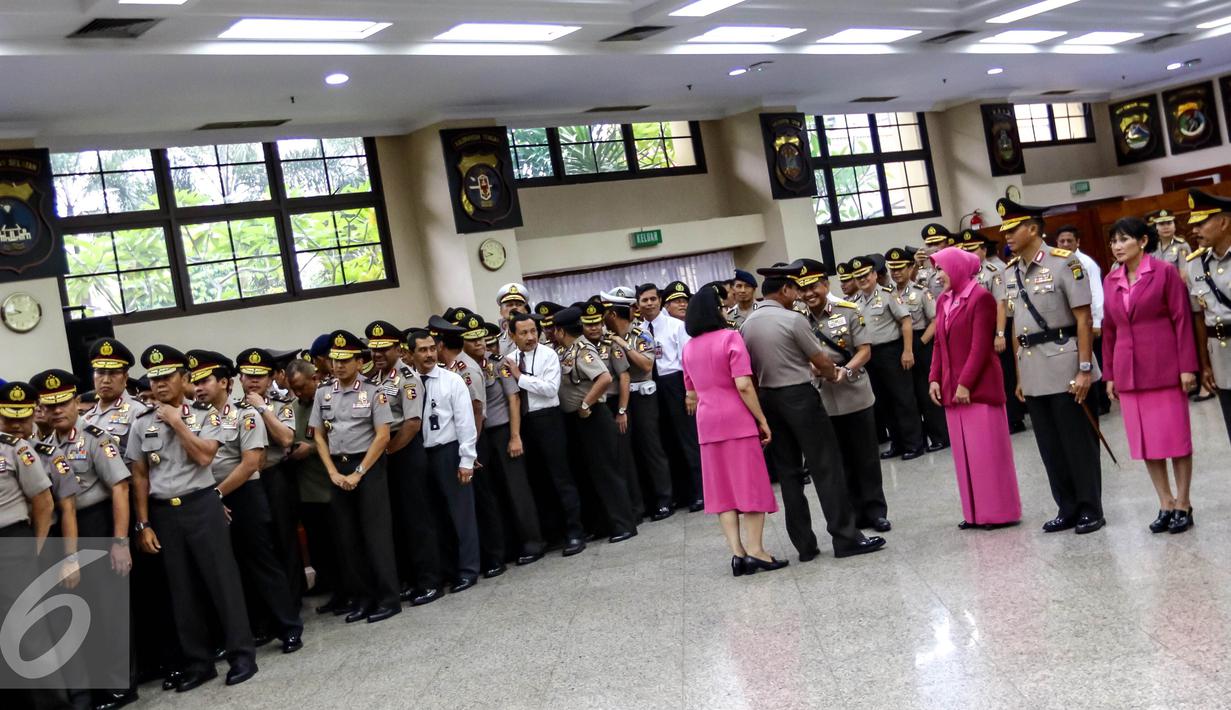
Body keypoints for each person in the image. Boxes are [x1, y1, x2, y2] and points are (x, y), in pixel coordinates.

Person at [127, 345, 258, 690]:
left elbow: (204, 457)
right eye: (154, 379)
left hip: (201, 505)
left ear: (184, 379)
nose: (159, 385)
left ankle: (242, 655)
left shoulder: (205, 415)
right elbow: (139, 476)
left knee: (221, 583)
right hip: (163, 512)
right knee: (181, 591)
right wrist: (143, 523)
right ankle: (199, 663)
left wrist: (176, 422)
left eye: (167, 377)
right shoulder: (141, 423)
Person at [740, 262, 886, 561]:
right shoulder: (793, 320)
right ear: (784, 290)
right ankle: (845, 538)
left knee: (790, 475)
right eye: (794, 288)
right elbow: (820, 361)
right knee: (826, 467)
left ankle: (804, 546)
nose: (798, 294)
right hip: (800, 397)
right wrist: (833, 374)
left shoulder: (747, 325)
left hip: (768, 398)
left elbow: (749, 372)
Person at [187, 351, 304, 652]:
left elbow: (251, 463)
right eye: (195, 382)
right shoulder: (192, 417)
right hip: (209, 497)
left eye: (205, 381)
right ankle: (256, 627)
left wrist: (216, 494)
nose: (198, 387)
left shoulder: (245, 413)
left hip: (241, 495)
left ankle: (289, 626)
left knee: (261, 562)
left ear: (224, 382)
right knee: (231, 567)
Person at [1001, 198, 1105, 534]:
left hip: (1065, 365)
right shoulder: (1011, 272)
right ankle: (1067, 507)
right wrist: (1019, 377)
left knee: (1077, 443)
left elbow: (1083, 318)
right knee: (1050, 447)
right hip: (1032, 370)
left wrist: (1085, 368)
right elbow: (1017, 327)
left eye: (1013, 229)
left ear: (1032, 228)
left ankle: (1091, 508)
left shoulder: (1065, 263)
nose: (1007, 236)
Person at [1102, 216, 1199, 534]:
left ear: (1143, 241)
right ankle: (1165, 502)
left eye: (1124, 239)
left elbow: (1182, 318)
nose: (1117, 246)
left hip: (1163, 366)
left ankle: (1184, 503)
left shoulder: (1164, 273)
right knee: (1146, 442)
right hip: (1129, 371)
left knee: (1175, 439)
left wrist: (1187, 366)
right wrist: (1110, 374)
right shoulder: (1111, 279)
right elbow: (1110, 328)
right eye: (1114, 240)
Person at [682, 283, 784, 575]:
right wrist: (762, 419)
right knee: (748, 484)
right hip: (736, 420)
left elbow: (690, 393)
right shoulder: (731, 338)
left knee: (722, 490)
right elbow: (743, 384)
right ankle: (757, 551)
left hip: (707, 422)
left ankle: (738, 554)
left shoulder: (689, 348)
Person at [927, 247, 1023, 529]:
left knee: (987, 454)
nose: (938, 275)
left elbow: (981, 346)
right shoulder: (944, 300)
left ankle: (998, 512)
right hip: (952, 390)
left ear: (956, 268)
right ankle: (974, 513)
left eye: (941, 269)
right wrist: (934, 377)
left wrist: (965, 383)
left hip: (978, 388)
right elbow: (938, 344)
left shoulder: (980, 298)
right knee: (964, 455)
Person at [308, 330, 401, 623]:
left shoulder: (375, 392)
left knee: (376, 537)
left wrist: (359, 473)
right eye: (334, 360)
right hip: (338, 470)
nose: (338, 366)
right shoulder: (323, 393)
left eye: (345, 360)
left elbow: (383, 436)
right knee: (347, 540)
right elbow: (318, 436)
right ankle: (363, 598)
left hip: (368, 468)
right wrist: (333, 472)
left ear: (359, 362)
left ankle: (388, 598)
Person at [796, 260, 890, 532]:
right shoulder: (798, 319)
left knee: (867, 457)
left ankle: (876, 511)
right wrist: (813, 368)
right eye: (803, 289)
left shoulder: (849, 310)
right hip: (824, 399)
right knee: (840, 461)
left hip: (855, 393)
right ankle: (854, 513)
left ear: (825, 285)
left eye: (813, 286)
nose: (808, 293)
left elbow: (865, 350)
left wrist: (845, 371)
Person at [503, 311, 587, 556]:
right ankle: (552, 533)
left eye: (533, 331)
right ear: (512, 334)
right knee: (538, 480)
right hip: (525, 422)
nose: (530, 337)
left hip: (548, 419)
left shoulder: (548, 354)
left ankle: (575, 532)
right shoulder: (509, 358)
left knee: (561, 477)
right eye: (523, 333)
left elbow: (550, 390)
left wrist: (521, 377)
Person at [406, 327, 483, 593]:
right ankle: (448, 569)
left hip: (448, 452)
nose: (428, 354)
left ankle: (468, 569)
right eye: (422, 350)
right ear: (410, 354)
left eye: (431, 348)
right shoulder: (409, 383)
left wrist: (466, 460)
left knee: (461, 514)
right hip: (420, 456)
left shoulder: (452, 381)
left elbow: (465, 423)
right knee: (436, 516)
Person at [553, 307, 638, 543]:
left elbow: (604, 377)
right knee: (593, 473)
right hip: (580, 422)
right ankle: (605, 524)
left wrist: (585, 404)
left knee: (607, 472)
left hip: (594, 417)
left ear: (560, 331)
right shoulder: (567, 350)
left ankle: (624, 524)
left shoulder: (583, 350)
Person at [234, 347, 303, 606]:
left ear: (271, 378)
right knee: (255, 545)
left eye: (260, 376)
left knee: (284, 538)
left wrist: (263, 409)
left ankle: (293, 601)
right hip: (245, 481)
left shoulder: (280, 406)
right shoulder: (231, 410)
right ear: (239, 378)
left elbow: (286, 438)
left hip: (275, 477)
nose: (253, 381)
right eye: (248, 375)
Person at [475, 319, 547, 567]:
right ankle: (508, 545)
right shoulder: (460, 367)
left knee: (517, 489)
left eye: (480, 339)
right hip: (481, 436)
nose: (478, 343)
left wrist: (515, 436)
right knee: (494, 493)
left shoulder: (498, 364)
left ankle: (532, 542)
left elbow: (513, 399)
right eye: (472, 339)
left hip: (503, 431)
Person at [602, 286, 674, 521]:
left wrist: (623, 345)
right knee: (627, 453)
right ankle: (637, 505)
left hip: (643, 397)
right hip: (620, 399)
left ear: (613, 314)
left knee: (651, 448)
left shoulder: (640, 334)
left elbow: (645, 365)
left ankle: (664, 499)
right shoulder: (605, 338)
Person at [637, 283, 705, 511]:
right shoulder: (638, 330)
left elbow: (689, 360)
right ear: (638, 305)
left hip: (676, 383)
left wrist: (690, 392)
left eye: (653, 299)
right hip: (651, 386)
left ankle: (700, 492)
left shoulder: (676, 326)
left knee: (687, 439)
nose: (649, 304)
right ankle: (679, 493)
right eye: (644, 300)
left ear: (659, 301)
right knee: (665, 441)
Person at [851, 255, 926, 460]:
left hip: (891, 352)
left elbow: (906, 321)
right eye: (858, 277)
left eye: (865, 275)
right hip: (869, 356)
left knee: (903, 399)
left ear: (874, 274)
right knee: (883, 401)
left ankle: (914, 443)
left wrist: (908, 350)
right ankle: (897, 443)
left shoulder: (888, 294)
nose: (862, 280)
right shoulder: (854, 302)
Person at [284, 359, 343, 612]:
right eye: (293, 389)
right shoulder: (293, 408)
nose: (298, 393)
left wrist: (311, 449)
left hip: (329, 485)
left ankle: (345, 591)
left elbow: (343, 436)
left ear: (315, 379)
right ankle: (326, 583)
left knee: (339, 544)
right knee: (318, 545)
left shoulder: (330, 400)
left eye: (301, 387)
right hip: (305, 490)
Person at [886, 247, 948, 452]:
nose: (896, 273)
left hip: (921, 344)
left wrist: (920, 343)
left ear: (911, 267)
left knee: (925, 392)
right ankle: (915, 440)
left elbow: (936, 320)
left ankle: (939, 436)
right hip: (900, 347)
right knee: (906, 397)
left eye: (900, 268)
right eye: (892, 269)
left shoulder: (921, 292)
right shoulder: (888, 294)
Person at [1187, 188, 1231, 444]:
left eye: (1201, 223)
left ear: (1223, 222)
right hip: (1222, 359)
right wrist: (1205, 364)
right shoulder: (1195, 264)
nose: (1195, 230)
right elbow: (1199, 317)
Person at [1056, 225, 1110, 417]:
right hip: (1073, 326)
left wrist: (1096, 322)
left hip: (1089, 322)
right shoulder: (1057, 262)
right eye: (1061, 241)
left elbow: (1096, 292)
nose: (1065, 244)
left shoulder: (1086, 262)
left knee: (1094, 362)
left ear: (1077, 242)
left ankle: (1102, 401)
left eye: (1069, 241)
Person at [496, 282, 531, 355]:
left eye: (519, 305)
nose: (514, 307)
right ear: (501, 311)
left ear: (525, 310)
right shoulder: (497, 342)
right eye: (509, 305)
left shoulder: (537, 336)